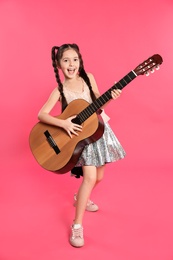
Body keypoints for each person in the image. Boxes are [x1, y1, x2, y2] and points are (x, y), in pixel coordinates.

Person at [38, 43, 126, 247]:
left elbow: (98, 104)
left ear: (80, 61)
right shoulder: (60, 89)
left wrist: (111, 97)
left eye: (75, 59)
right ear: (59, 65)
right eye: (66, 60)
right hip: (80, 138)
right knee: (90, 177)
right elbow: (41, 114)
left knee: (100, 177)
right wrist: (63, 123)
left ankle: (79, 198)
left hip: (98, 131)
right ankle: (77, 226)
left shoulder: (89, 78)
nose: (71, 64)